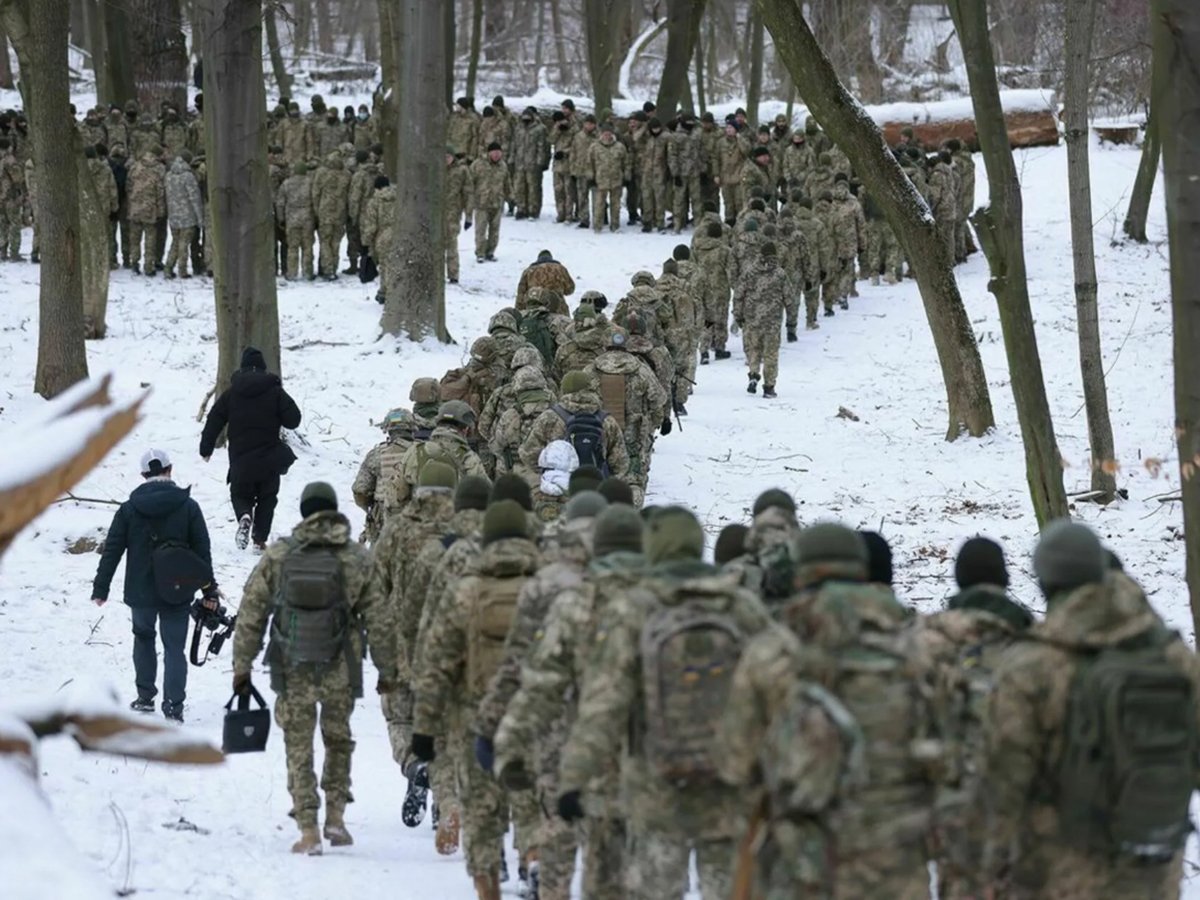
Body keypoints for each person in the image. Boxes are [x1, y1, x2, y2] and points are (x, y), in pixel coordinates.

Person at [557, 506, 771, 900]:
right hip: (730, 784)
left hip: (655, 787)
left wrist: (574, 777)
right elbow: (779, 695)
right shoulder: (743, 608)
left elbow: (604, 703)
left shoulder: (633, 609)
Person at [980, 520, 1200, 899]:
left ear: (1045, 582)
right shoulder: (1172, 657)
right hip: (1155, 870)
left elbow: (1001, 784)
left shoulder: (1031, 668)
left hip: (1063, 874)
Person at [231, 482, 399, 855]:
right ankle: (336, 819)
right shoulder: (357, 557)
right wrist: (388, 669)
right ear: (334, 510)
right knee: (338, 739)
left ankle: (308, 828)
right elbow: (381, 619)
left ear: (305, 511)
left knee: (298, 742)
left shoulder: (279, 555)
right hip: (341, 664)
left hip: (291, 664)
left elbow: (251, 612)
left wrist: (241, 664)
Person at [91, 449, 214, 723]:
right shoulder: (188, 507)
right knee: (174, 648)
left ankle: (146, 697)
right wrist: (209, 590)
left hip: (140, 590)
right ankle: (174, 706)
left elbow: (112, 549)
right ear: (169, 470)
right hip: (178, 589)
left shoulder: (129, 509)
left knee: (143, 638)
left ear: (143, 475)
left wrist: (101, 588)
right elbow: (202, 551)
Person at [199, 346, 302, 551]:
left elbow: (214, 419)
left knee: (239, 493)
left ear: (243, 368)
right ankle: (259, 539)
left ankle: (244, 516)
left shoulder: (232, 394)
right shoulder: (275, 392)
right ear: (263, 369)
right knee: (267, 498)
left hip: (240, 459)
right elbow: (294, 420)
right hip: (269, 458)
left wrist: (206, 447)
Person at [163, 150, 203, 279]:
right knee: (184, 244)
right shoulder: (188, 176)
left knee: (175, 242)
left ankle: (168, 268)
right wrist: (199, 217)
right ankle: (182, 270)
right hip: (187, 215)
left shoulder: (168, 175)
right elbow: (194, 198)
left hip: (173, 214)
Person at [471, 142, 510, 263]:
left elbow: (507, 183)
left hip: (497, 202)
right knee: (481, 230)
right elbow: (469, 181)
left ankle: (490, 252)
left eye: (499, 152)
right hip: (482, 203)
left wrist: (511, 196)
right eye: (494, 152)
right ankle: (480, 252)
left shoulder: (503, 166)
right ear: (489, 152)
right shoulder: (478, 164)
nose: (497, 155)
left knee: (495, 230)